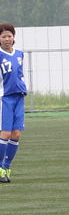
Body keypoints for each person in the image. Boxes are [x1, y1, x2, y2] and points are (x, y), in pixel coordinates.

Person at [0, 23, 27, 183]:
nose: (7, 39)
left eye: (9, 36)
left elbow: (19, 74)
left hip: (19, 97)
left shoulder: (19, 54)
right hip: (4, 98)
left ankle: (6, 166)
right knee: (5, 133)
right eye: (3, 36)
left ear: (13, 37)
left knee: (16, 134)